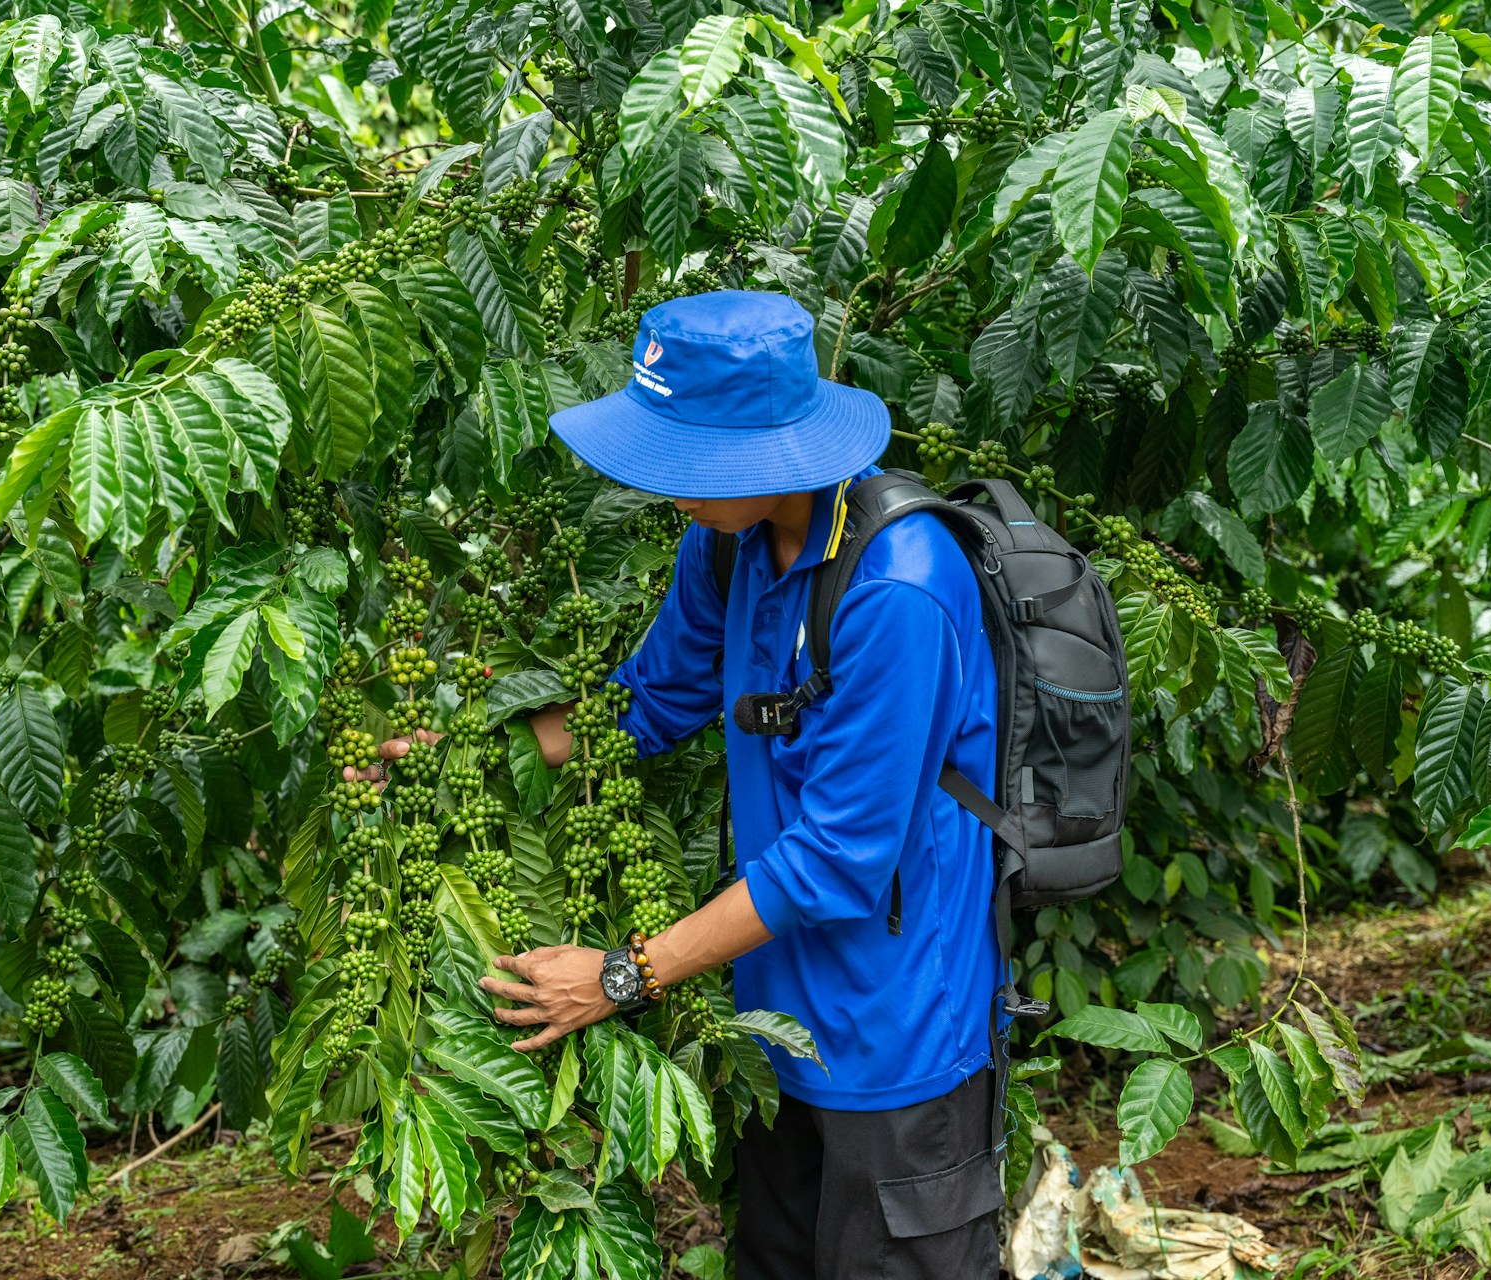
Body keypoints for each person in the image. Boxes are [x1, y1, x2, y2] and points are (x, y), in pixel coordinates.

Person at [359, 290, 1006, 1278]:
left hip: (899, 1041)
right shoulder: (728, 540)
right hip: (773, 1021)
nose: (671, 490)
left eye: (686, 461)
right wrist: (458, 751)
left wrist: (622, 974)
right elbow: (646, 705)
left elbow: (839, 860)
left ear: (765, 450)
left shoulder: (899, 588)